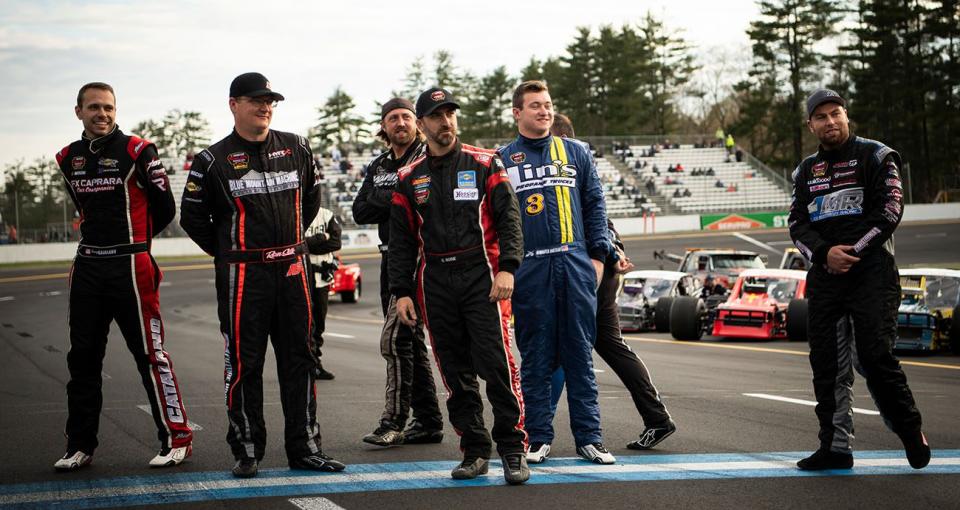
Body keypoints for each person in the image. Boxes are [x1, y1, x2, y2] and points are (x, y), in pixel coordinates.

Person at [180, 72, 345, 478]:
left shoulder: (297, 147)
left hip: (292, 270)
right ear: (234, 104)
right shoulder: (210, 160)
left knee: (300, 361)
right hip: (243, 279)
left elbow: (309, 204)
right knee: (243, 365)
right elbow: (193, 219)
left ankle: (305, 448)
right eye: (256, 100)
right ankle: (247, 449)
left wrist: (285, 245)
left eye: (270, 100)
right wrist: (233, 255)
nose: (266, 106)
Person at [389, 87, 529, 484]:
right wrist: (401, 291)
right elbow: (401, 243)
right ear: (422, 124)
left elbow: (510, 219)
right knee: (455, 373)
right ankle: (474, 449)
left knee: (497, 366)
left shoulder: (486, 162)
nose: (445, 121)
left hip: (482, 276)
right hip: (434, 281)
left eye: (450, 113)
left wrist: (508, 268)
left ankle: (514, 449)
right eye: (436, 115)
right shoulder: (408, 178)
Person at [53, 82, 192, 471]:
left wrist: (137, 244)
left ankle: (177, 437)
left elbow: (164, 208)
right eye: (94, 107)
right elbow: (83, 206)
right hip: (88, 266)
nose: (103, 114)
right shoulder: (67, 157)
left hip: (131, 265)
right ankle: (79, 445)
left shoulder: (137, 150)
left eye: (109, 108)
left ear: (116, 111)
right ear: (78, 111)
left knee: (151, 355)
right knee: (82, 360)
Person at [788, 88, 929, 471]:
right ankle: (835, 448)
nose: (830, 122)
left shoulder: (878, 155)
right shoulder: (805, 171)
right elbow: (796, 224)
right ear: (811, 125)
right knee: (827, 366)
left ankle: (909, 428)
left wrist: (852, 251)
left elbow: (890, 211)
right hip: (825, 276)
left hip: (872, 272)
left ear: (847, 116)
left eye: (836, 114)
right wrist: (823, 254)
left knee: (874, 356)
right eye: (821, 117)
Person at [499, 81, 614, 466]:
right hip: (530, 268)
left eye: (547, 105)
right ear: (517, 113)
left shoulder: (577, 152)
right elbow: (497, 221)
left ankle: (590, 438)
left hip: (575, 263)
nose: (544, 111)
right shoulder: (501, 160)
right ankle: (537, 438)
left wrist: (598, 257)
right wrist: (507, 269)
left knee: (580, 354)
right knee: (535, 356)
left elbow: (595, 205)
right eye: (535, 106)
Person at [352, 97, 443, 447]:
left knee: (394, 341)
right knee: (410, 343)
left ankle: (393, 421)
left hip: (422, 260)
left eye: (406, 116)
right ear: (384, 127)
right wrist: (398, 197)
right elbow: (361, 210)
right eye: (393, 118)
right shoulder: (378, 165)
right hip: (390, 258)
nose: (400, 123)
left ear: (417, 123)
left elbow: (427, 203)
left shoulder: (428, 155)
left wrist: (390, 198)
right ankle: (430, 421)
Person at [305, 206, 342, 380]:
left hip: (322, 278)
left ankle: (316, 363)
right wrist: (321, 238)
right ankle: (308, 364)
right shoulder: (298, 213)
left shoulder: (326, 215)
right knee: (306, 323)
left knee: (319, 322)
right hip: (304, 276)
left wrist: (310, 244)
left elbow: (336, 243)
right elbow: (298, 244)